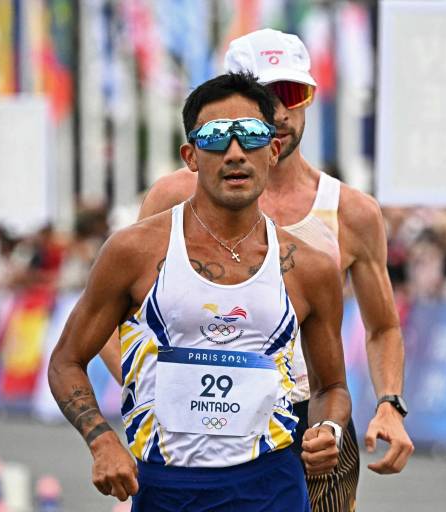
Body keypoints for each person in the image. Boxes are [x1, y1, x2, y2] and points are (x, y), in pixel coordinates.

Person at [101, 28, 414, 511]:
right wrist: (163, 391)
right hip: (195, 434)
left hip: (311, 423)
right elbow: (114, 314)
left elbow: (383, 327)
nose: (281, 113)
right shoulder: (174, 197)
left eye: (294, 94)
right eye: (266, 97)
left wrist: (390, 405)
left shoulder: (350, 211)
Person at [48, 72, 351, 511]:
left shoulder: (310, 266)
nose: (234, 153)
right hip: (166, 487)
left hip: (271, 485)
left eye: (250, 135)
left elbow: (333, 387)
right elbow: (66, 361)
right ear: (190, 156)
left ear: (273, 149)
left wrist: (329, 430)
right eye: (214, 138)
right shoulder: (135, 251)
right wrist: (101, 440)